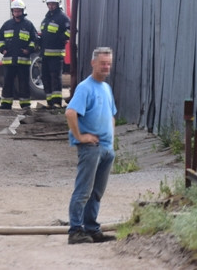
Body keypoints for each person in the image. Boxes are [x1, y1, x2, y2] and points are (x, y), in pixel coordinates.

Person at [65, 46, 117, 244]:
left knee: (96, 192)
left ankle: (92, 228)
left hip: (105, 148)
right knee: (84, 190)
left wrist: (111, 141)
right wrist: (80, 137)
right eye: (103, 63)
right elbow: (70, 113)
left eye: (109, 64)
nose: (106, 67)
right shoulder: (85, 87)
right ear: (93, 63)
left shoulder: (106, 88)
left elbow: (111, 115)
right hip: (91, 148)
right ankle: (75, 230)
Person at [0, 0, 39, 112]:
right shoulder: (7, 24)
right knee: (7, 83)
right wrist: (3, 49)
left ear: (22, 11)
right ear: (12, 11)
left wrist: (28, 50)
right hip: (9, 61)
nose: (17, 13)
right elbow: (0, 39)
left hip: (23, 61)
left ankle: (25, 104)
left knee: (24, 83)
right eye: (15, 11)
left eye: (19, 11)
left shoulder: (28, 25)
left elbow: (35, 40)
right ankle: (6, 103)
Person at [39, 0, 71, 113]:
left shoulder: (63, 18)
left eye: (53, 4)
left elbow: (71, 30)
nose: (51, 6)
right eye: (49, 3)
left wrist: (61, 39)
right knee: (45, 78)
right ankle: (50, 102)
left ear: (58, 4)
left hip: (56, 54)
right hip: (45, 54)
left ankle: (57, 102)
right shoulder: (46, 19)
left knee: (55, 78)